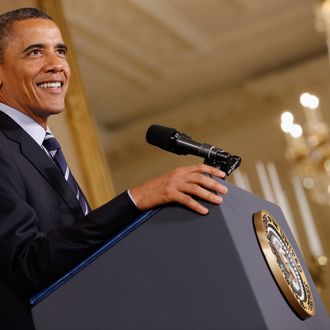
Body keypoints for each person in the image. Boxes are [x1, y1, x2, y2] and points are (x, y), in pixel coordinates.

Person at [0, 7, 228, 330]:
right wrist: (136, 199)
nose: (57, 65)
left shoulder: (41, 149)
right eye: (35, 52)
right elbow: (29, 264)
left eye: (60, 51)